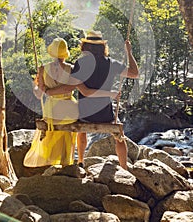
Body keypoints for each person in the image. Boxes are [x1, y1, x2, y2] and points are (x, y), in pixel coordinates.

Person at [46, 31, 139, 170]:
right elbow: (135, 73)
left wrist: (48, 92)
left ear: (85, 47)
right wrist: (129, 53)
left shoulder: (80, 63)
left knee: (80, 129)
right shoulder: (111, 63)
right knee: (119, 135)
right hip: (105, 114)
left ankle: (81, 160)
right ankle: (124, 167)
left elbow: (81, 91)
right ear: (102, 47)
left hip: (85, 114)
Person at [24, 37, 119, 168]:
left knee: (51, 128)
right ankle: (67, 162)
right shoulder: (72, 68)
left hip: (52, 111)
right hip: (70, 112)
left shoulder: (42, 69)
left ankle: (50, 162)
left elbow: (39, 94)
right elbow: (73, 87)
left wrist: (39, 87)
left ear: (51, 52)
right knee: (72, 128)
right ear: (65, 53)